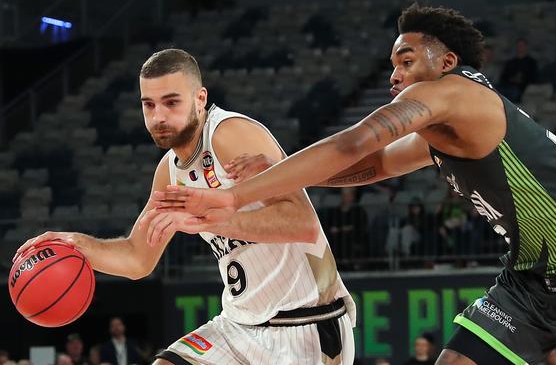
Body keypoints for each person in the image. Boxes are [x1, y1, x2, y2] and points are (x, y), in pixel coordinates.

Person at [151, 5, 556, 365]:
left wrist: (236, 194)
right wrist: (272, 167)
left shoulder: (456, 96)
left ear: (447, 63)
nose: (394, 75)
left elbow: (354, 144)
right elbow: (370, 168)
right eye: (392, 64)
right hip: (530, 274)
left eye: (406, 60)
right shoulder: (441, 133)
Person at [13, 49, 355, 365]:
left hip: (307, 322)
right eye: (149, 105)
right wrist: (78, 244)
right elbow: (137, 258)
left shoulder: (230, 134)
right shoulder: (170, 172)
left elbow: (302, 223)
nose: (158, 116)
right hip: (238, 325)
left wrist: (208, 220)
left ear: (200, 98)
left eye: (171, 103)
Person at [498, 38, 537, 103]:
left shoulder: (531, 63)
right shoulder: (510, 63)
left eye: (522, 46)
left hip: (522, 89)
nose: (520, 48)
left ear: (526, 47)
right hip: (507, 87)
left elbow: (533, 78)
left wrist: (521, 80)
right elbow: (503, 77)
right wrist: (511, 79)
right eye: (519, 46)